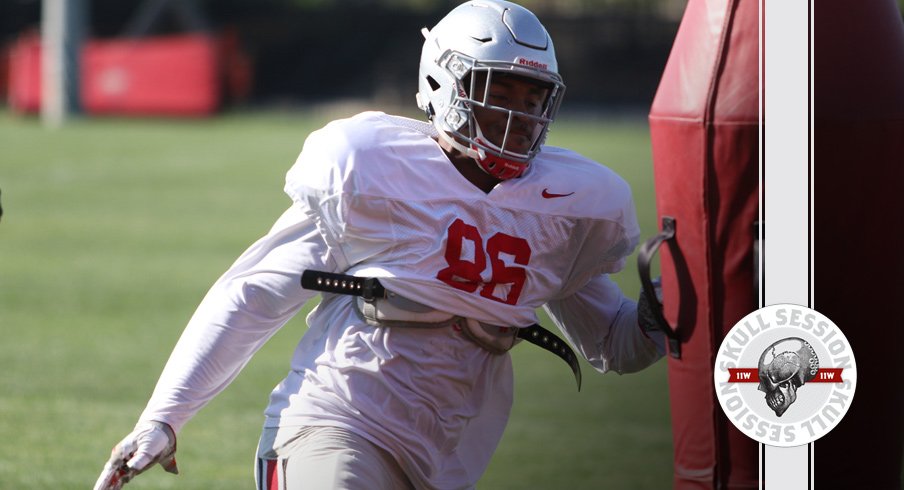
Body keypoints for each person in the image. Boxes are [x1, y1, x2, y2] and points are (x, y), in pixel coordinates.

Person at [94, 1, 665, 489]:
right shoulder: (374, 168)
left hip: (446, 459)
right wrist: (165, 416)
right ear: (444, 84)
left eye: (532, 97)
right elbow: (253, 295)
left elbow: (614, 344)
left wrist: (660, 313)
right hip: (335, 423)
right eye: (498, 91)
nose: (517, 114)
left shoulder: (568, 206)